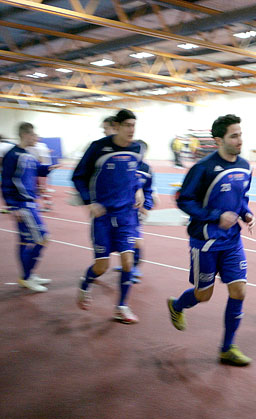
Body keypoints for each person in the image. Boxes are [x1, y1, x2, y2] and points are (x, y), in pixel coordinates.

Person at [167, 114, 256, 366]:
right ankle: (177, 305)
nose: (240, 140)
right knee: (203, 295)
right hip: (205, 241)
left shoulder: (246, 166)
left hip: (232, 241)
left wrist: (246, 213)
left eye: (240, 134)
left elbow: (241, 197)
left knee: (239, 291)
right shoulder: (203, 168)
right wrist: (216, 216)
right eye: (234, 135)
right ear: (219, 140)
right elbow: (184, 199)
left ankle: (227, 348)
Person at [72, 109, 145, 324]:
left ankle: (121, 307)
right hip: (103, 215)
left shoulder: (137, 148)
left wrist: (138, 189)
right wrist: (89, 202)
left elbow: (135, 173)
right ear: (117, 126)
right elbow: (78, 176)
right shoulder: (98, 148)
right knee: (101, 266)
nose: (131, 130)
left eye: (134, 125)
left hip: (126, 215)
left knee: (128, 262)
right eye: (127, 125)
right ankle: (85, 283)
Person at [1, 123, 59, 292]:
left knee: (25, 241)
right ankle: (27, 276)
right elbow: (5, 182)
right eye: (34, 134)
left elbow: (37, 170)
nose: (36, 137)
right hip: (23, 205)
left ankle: (27, 275)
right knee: (43, 238)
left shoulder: (28, 155)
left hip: (29, 203)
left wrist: (49, 168)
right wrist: (12, 206)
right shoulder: (13, 155)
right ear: (25, 135)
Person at [114, 140, 157, 283]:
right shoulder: (122, 165)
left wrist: (147, 206)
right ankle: (127, 264)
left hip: (135, 213)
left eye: (141, 151)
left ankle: (134, 267)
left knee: (137, 241)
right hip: (120, 210)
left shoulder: (146, 168)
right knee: (121, 240)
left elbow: (149, 190)